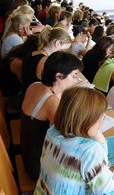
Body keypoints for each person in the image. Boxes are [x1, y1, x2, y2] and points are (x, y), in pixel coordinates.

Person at [34, 86, 114, 194]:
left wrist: (94, 131)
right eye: (100, 115)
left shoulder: (53, 131)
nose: (103, 117)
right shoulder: (89, 151)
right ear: (85, 119)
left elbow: (102, 159)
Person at [21, 51, 83, 181]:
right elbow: (69, 136)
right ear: (59, 76)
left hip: (28, 152)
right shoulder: (50, 101)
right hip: (38, 166)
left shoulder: (35, 85)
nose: (77, 80)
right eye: (74, 76)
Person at [21, 27, 72, 93]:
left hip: (25, 94)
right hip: (31, 98)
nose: (63, 52)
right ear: (57, 43)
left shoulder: (33, 53)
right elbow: (52, 89)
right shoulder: (45, 61)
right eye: (64, 50)